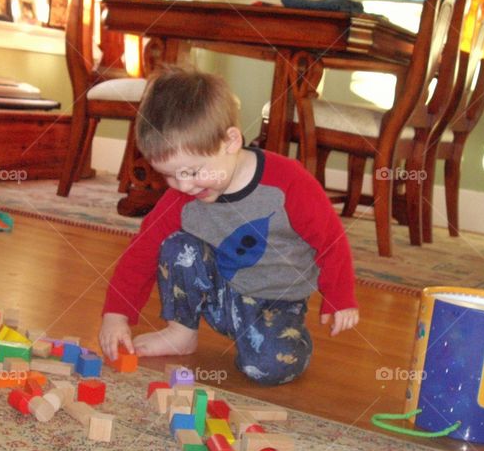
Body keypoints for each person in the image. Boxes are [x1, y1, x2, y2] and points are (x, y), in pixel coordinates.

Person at [99, 68, 359, 385]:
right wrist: (116, 314)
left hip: (276, 302)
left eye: (193, 172)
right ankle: (181, 332)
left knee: (267, 368)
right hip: (220, 296)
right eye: (170, 175)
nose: (184, 186)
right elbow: (142, 252)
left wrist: (340, 296)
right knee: (176, 246)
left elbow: (331, 240)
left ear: (231, 141)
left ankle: (279, 340)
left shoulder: (287, 182)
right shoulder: (182, 195)